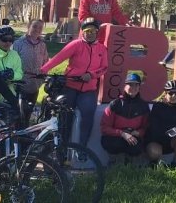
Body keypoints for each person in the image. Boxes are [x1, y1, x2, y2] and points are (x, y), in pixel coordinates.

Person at [40, 17, 108, 147]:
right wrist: (43, 70)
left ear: (97, 32)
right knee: (65, 116)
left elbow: (104, 67)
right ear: (83, 32)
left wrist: (91, 75)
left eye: (93, 31)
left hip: (88, 89)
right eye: (87, 31)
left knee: (88, 115)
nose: (90, 33)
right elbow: (59, 57)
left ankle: (82, 147)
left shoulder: (102, 49)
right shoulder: (76, 44)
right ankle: (61, 146)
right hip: (70, 86)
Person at [100, 72, 150, 165]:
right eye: (130, 84)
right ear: (125, 86)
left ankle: (131, 167)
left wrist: (138, 133)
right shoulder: (115, 104)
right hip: (116, 137)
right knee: (113, 144)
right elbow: (104, 128)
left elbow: (146, 127)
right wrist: (122, 134)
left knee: (136, 147)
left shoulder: (143, 106)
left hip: (133, 137)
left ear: (139, 87)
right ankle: (115, 163)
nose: (133, 88)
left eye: (136, 85)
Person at [146, 80, 176, 167]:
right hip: (157, 140)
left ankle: (175, 163)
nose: (174, 96)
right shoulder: (158, 105)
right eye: (170, 93)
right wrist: (169, 132)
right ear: (165, 94)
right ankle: (154, 164)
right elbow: (153, 127)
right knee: (154, 152)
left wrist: (175, 130)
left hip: (172, 140)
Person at [13, 19, 48, 120]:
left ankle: (26, 131)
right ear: (29, 27)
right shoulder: (18, 43)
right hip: (21, 83)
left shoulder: (42, 45)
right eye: (35, 26)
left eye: (40, 27)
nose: (37, 29)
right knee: (19, 113)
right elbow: (12, 61)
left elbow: (45, 62)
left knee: (29, 112)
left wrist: (43, 77)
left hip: (35, 84)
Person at [0, 25, 23, 98]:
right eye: (4, 39)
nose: (8, 43)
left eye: (11, 40)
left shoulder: (14, 54)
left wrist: (12, 75)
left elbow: (20, 74)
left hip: (9, 96)